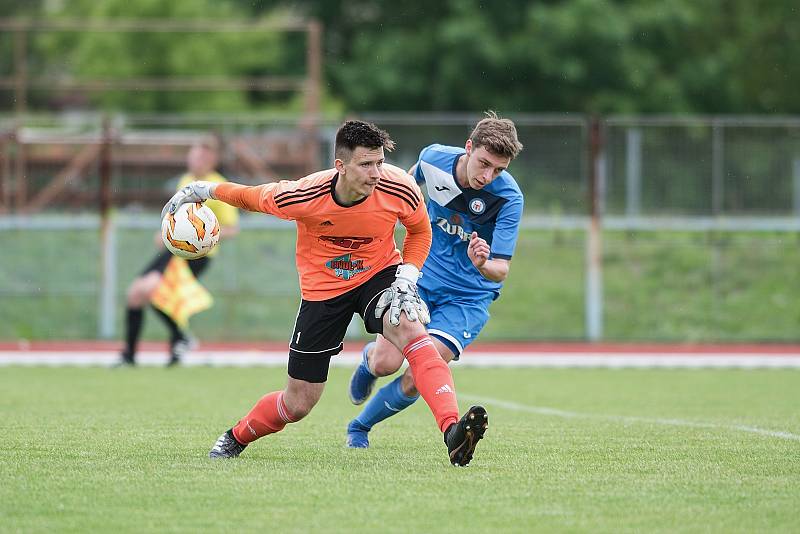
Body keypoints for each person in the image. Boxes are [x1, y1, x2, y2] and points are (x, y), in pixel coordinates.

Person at [161, 120, 488, 467]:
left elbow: (420, 232)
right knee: (297, 404)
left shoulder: (400, 187)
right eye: (366, 164)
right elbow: (251, 196)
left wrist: (407, 276)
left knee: (411, 328)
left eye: (379, 162)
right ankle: (235, 436)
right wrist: (202, 190)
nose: (376, 172)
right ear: (340, 167)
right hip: (323, 291)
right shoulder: (304, 194)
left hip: (379, 275)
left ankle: (453, 431)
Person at [346, 111, 523, 449]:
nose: (488, 176)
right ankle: (370, 360)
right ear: (469, 147)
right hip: (421, 281)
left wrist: (482, 263)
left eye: (499, 170)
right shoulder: (433, 159)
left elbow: (501, 270)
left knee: (417, 377)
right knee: (386, 363)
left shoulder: (509, 198)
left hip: (469, 298)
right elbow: (401, 191)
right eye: (484, 163)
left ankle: (359, 427)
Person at [117, 136, 239, 367]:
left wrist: (203, 235)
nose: (196, 160)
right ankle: (130, 356)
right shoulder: (184, 181)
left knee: (157, 291)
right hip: (175, 250)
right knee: (136, 293)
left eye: (203, 156)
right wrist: (165, 232)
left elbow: (233, 229)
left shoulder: (218, 187)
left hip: (197, 255)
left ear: (212, 160)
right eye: (193, 155)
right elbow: (177, 217)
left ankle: (180, 338)